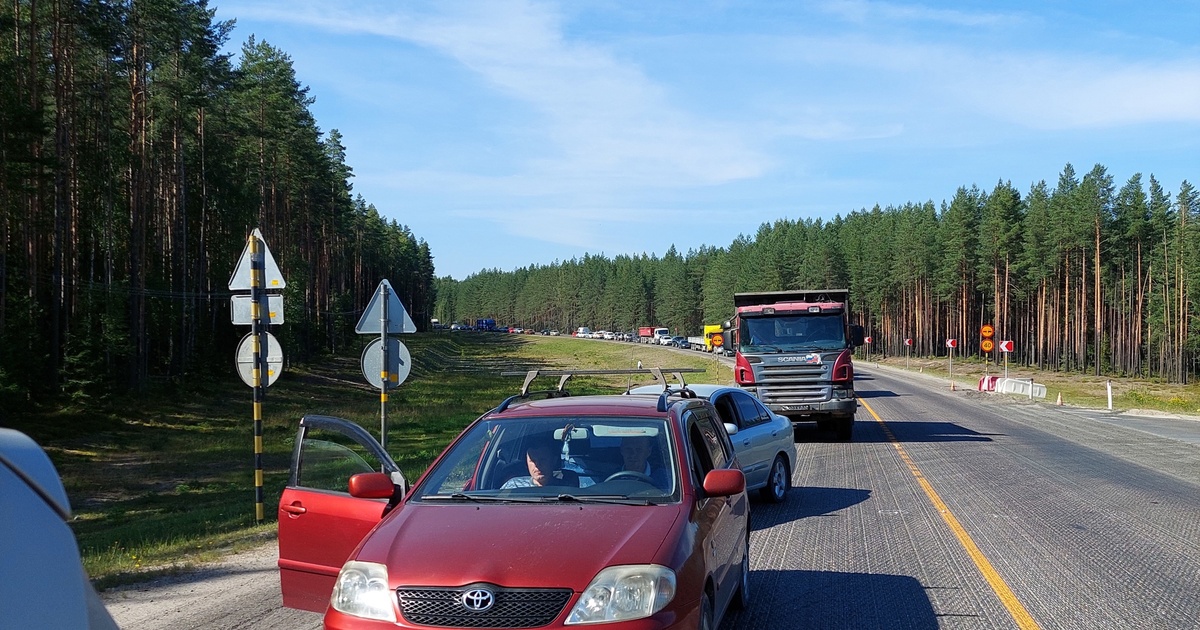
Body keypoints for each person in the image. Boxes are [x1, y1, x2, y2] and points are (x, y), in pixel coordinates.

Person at [501, 439, 577, 488]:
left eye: (543, 460)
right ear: (526, 463)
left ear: (553, 461)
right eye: (533, 461)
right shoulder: (513, 486)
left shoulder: (566, 489)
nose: (537, 465)